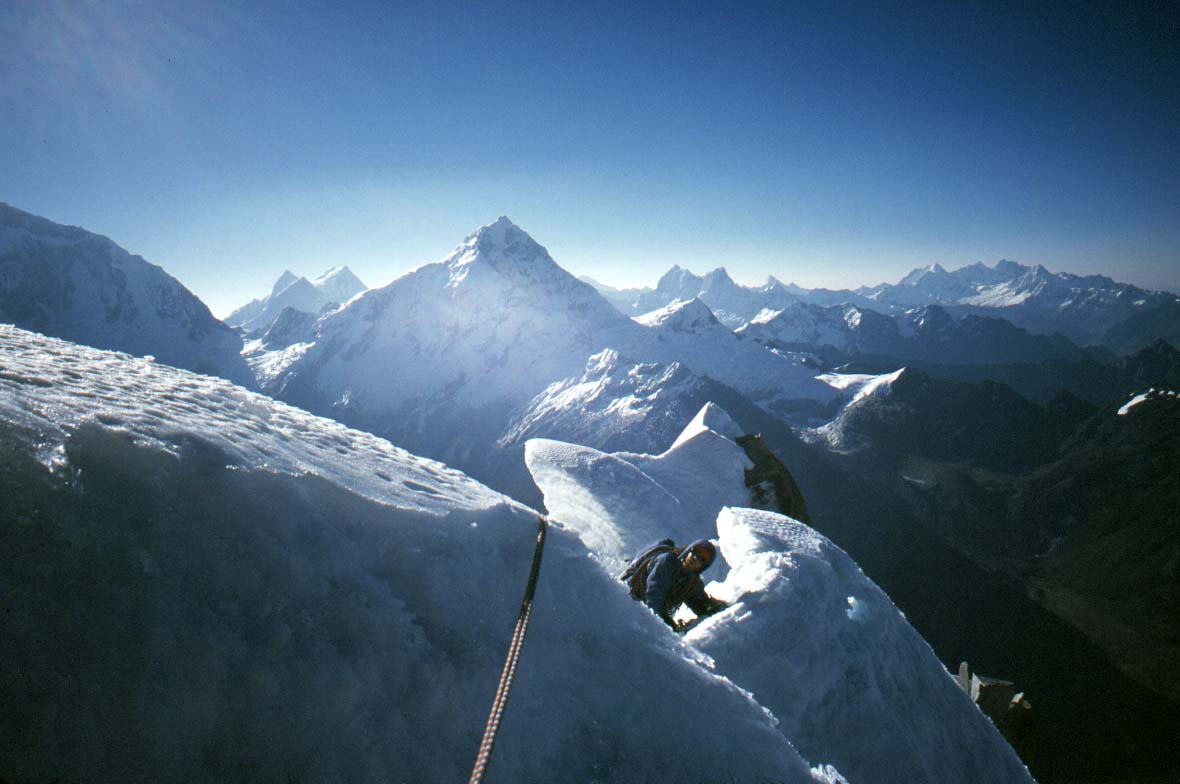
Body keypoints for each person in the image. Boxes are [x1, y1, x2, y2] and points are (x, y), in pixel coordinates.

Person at [620, 539, 728, 630]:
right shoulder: (667, 562)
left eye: (701, 559)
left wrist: (715, 608)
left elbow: (697, 600)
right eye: (694, 553)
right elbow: (655, 595)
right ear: (688, 551)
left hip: (642, 610)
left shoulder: (691, 580)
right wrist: (666, 624)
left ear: (703, 567)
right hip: (628, 600)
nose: (695, 559)